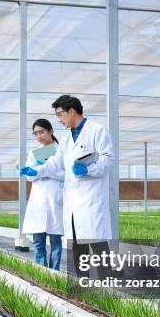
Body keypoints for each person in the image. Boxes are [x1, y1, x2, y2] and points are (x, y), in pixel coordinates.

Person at [19, 95, 116, 278]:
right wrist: (36, 171)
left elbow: (109, 159)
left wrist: (89, 169)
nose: (59, 119)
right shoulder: (65, 140)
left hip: (91, 200)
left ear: (71, 111)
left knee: (97, 244)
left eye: (60, 114)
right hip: (72, 204)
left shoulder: (97, 130)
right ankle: (82, 285)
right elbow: (55, 163)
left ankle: (106, 285)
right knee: (77, 246)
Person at [21, 119, 64, 270]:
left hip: (55, 199)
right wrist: (37, 171)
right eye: (35, 134)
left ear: (50, 131)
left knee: (55, 242)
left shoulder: (61, 150)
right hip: (38, 201)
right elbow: (29, 176)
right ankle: (41, 272)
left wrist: (46, 170)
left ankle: (54, 273)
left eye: (41, 132)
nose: (39, 136)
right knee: (38, 242)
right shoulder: (34, 153)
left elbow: (67, 175)